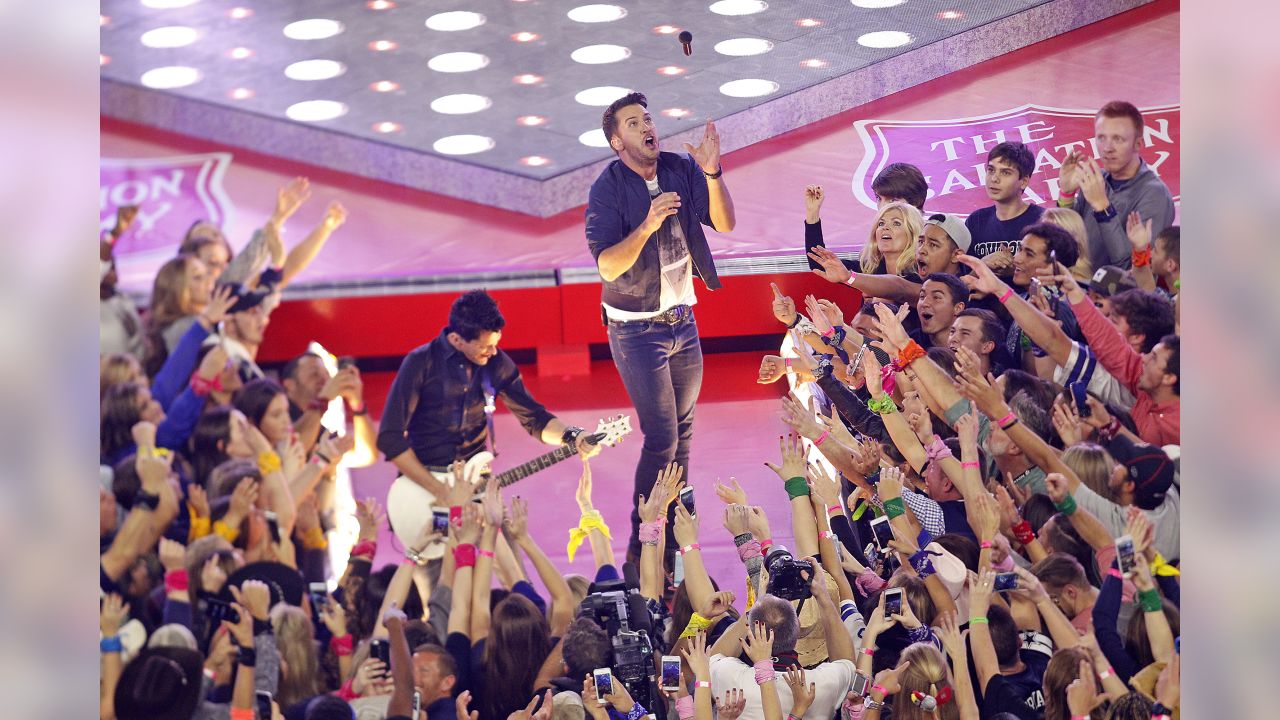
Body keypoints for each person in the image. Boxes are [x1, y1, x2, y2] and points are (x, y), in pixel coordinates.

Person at [584, 91, 736, 559]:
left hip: (682, 320)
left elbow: (725, 224)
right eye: (633, 123)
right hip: (635, 330)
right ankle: (641, 545)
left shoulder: (678, 168)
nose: (647, 127)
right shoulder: (607, 189)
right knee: (663, 436)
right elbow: (607, 265)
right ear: (617, 142)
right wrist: (648, 224)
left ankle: (673, 543)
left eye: (647, 118)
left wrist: (712, 173)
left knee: (683, 435)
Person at [377, 290, 601, 504]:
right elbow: (390, 439)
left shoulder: (496, 363)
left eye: (495, 344)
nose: (493, 352)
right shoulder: (420, 363)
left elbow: (536, 420)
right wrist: (442, 492)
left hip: (476, 482)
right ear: (456, 339)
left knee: (502, 538)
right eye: (485, 346)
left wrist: (573, 436)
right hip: (427, 487)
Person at [1055, 101, 1176, 269]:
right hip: (1077, 286)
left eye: (1118, 139)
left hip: (1118, 294)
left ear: (1138, 144)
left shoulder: (1155, 195)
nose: (1107, 148)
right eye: (1101, 138)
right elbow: (1066, 246)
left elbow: (1132, 269)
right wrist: (1066, 195)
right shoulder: (1096, 180)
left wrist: (1102, 208)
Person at [965, 142, 1045, 272]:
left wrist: (1015, 270)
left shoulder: (1042, 221)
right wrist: (983, 264)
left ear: (1024, 181)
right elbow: (963, 279)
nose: (994, 179)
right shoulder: (976, 221)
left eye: (1005, 173)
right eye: (991, 170)